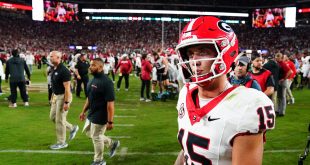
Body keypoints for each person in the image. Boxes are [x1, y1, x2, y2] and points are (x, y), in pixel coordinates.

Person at [174, 16, 275, 165]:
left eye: (203, 51)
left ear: (225, 52)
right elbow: (187, 151)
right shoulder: (185, 94)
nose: (194, 61)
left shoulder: (246, 106)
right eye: (190, 54)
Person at [79, 58, 120, 165]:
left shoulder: (107, 82)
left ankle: (99, 160)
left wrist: (110, 121)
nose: (90, 67)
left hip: (101, 114)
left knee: (96, 137)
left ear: (100, 67)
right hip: (91, 112)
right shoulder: (91, 80)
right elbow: (89, 98)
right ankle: (112, 144)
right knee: (89, 133)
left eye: (93, 65)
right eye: (90, 65)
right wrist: (83, 111)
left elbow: (110, 104)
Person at [49, 51, 79, 150]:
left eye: (52, 56)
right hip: (56, 96)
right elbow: (54, 84)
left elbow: (67, 89)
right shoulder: (54, 68)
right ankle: (72, 128)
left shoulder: (64, 70)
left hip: (63, 96)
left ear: (58, 57)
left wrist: (66, 102)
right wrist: (52, 96)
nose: (50, 58)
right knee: (53, 117)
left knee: (60, 120)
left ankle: (61, 142)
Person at [275, 52, 292, 117]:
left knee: (283, 97)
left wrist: (284, 78)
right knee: (279, 96)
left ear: (280, 57)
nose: (276, 58)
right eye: (276, 57)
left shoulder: (283, 64)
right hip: (279, 81)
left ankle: (282, 112)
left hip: (283, 82)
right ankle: (279, 110)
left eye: (277, 57)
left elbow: (290, 71)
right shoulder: (278, 63)